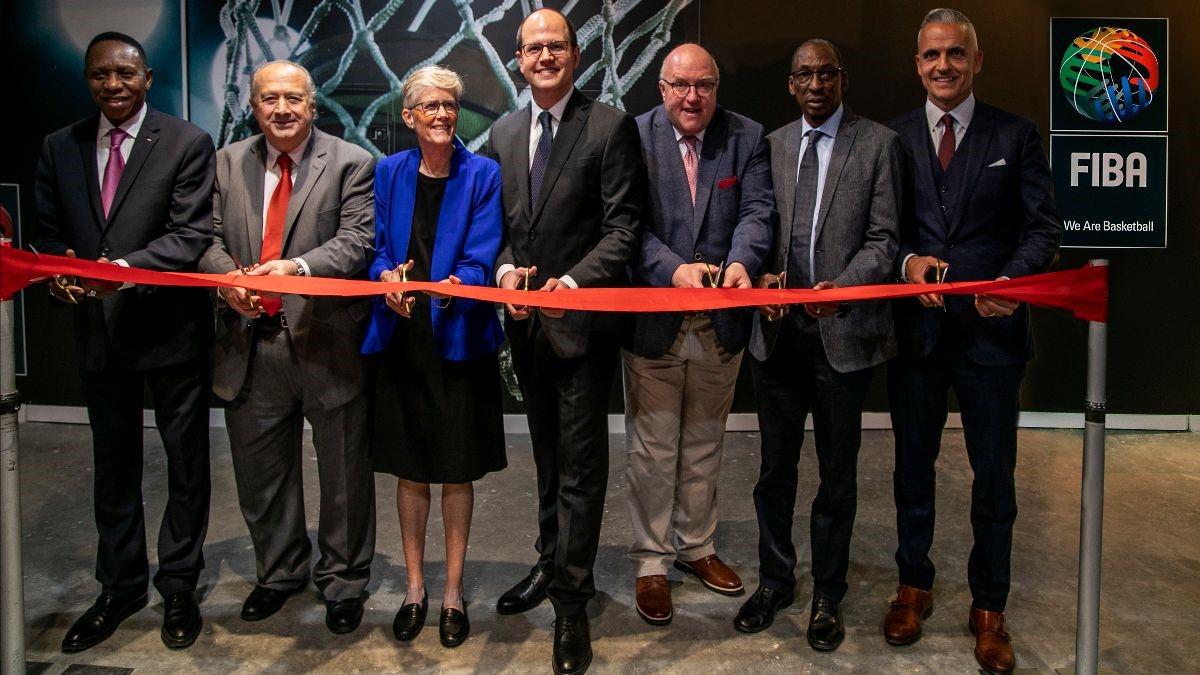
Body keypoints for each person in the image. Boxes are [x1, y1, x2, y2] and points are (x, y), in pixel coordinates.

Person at [883, 9, 1061, 674]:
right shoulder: (893, 138)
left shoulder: (1016, 134)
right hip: (919, 336)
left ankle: (989, 608)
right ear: (918, 63)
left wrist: (1014, 278)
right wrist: (907, 265)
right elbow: (884, 230)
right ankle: (914, 586)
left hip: (993, 335)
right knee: (910, 473)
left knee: (994, 481)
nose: (944, 66)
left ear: (976, 61)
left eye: (956, 54)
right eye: (932, 56)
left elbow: (1042, 229)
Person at [33, 31, 215, 653]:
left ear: (148, 77)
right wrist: (61, 271)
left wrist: (112, 275)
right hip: (96, 335)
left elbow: (189, 235)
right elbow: (49, 231)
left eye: (124, 74)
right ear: (88, 79)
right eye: (99, 75)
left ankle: (180, 583)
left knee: (187, 467)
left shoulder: (187, 142)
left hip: (169, 332)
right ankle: (120, 584)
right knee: (114, 468)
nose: (112, 85)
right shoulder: (60, 147)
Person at [488, 8, 645, 674]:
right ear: (517, 60)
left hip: (582, 329)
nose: (545, 56)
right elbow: (495, 224)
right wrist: (501, 268)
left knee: (582, 469)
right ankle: (550, 561)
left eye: (557, 46)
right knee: (548, 461)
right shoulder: (501, 131)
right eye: (534, 48)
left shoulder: (609, 126)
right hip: (526, 331)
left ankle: (572, 604)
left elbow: (624, 228)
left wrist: (574, 281)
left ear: (576, 56)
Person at [734, 39, 901, 653]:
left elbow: (885, 240)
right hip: (777, 334)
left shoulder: (878, 144)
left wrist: (844, 289)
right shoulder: (772, 145)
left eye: (825, 73)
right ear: (790, 83)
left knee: (837, 476)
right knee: (774, 471)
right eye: (803, 73)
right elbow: (757, 224)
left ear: (842, 79)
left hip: (842, 333)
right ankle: (776, 579)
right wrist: (765, 278)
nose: (815, 83)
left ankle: (828, 591)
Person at [199, 60, 377, 635]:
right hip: (251, 343)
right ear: (254, 105)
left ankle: (344, 581)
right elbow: (204, 238)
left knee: (345, 474)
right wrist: (233, 282)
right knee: (261, 473)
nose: (282, 109)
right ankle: (278, 574)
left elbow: (357, 241)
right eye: (269, 98)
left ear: (312, 103)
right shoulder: (225, 164)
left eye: (293, 99)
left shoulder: (350, 162)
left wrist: (294, 269)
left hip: (325, 340)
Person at [623, 43, 775, 626]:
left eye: (705, 85)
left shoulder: (746, 136)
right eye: (681, 85)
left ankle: (696, 547)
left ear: (716, 88)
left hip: (723, 319)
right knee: (654, 446)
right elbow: (626, 224)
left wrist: (741, 262)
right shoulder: (633, 138)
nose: (693, 97)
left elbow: (758, 212)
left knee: (707, 441)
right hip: (655, 318)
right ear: (662, 88)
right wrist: (671, 269)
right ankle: (651, 561)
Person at [360, 65, 507, 649]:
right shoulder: (388, 172)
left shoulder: (483, 174)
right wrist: (384, 277)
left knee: (456, 468)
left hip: (458, 340)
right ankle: (415, 588)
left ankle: (452, 592)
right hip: (401, 342)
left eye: (450, 105)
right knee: (410, 467)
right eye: (430, 107)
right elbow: (376, 250)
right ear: (409, 116)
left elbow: (482, 252)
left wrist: (459, 281)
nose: (442, 115)